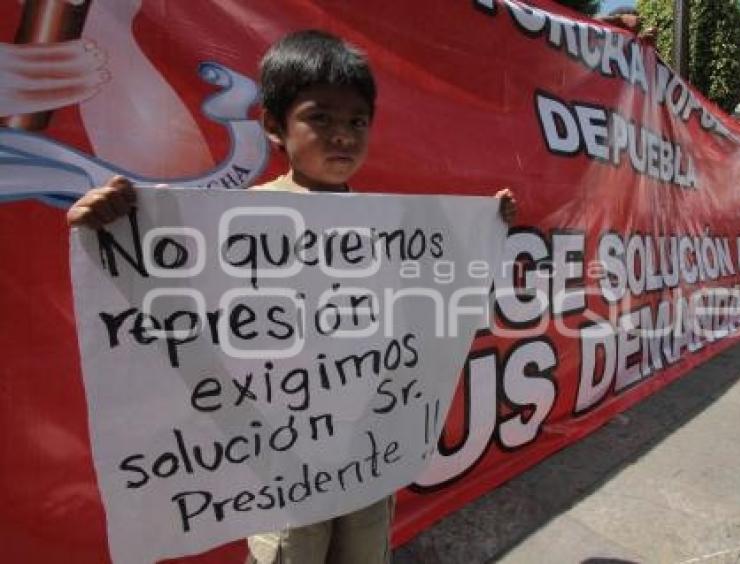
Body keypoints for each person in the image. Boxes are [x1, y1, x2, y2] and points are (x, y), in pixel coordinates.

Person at [67, 30, 517, 564]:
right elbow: (174, 310)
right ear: (275, 126)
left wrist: (484, 231)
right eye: (320, 118)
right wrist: (105, 227)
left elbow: (436, 300)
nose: (343, 136)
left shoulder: (392, 228)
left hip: (366, 453)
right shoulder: (236, 223)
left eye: (356, 122)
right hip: (278, 462)